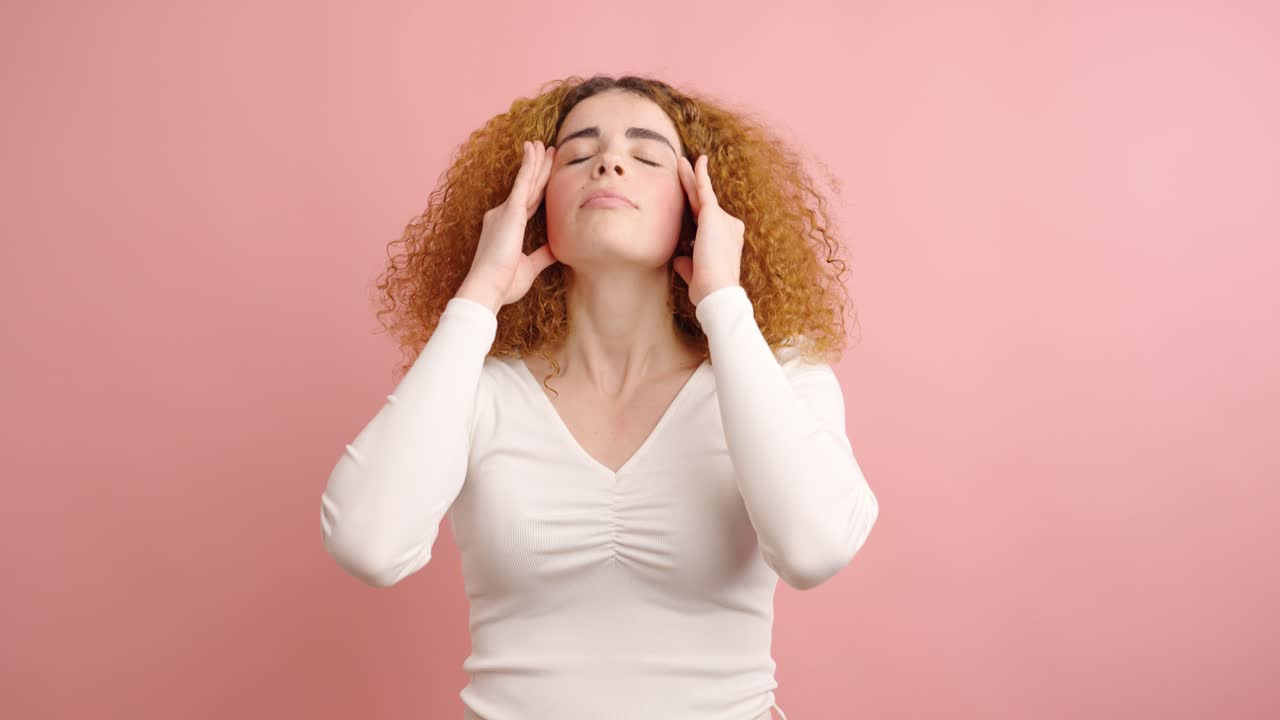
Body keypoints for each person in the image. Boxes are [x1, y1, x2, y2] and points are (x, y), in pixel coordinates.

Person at [320, 74, 879, 720]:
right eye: (578, 155)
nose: (610, 162)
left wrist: (725, 303)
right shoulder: (476, 382)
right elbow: (368, 542)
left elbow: (813, 549)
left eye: (647, 156)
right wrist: (477, 296)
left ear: (703, 206)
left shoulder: (777, 374)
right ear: (533, 204)